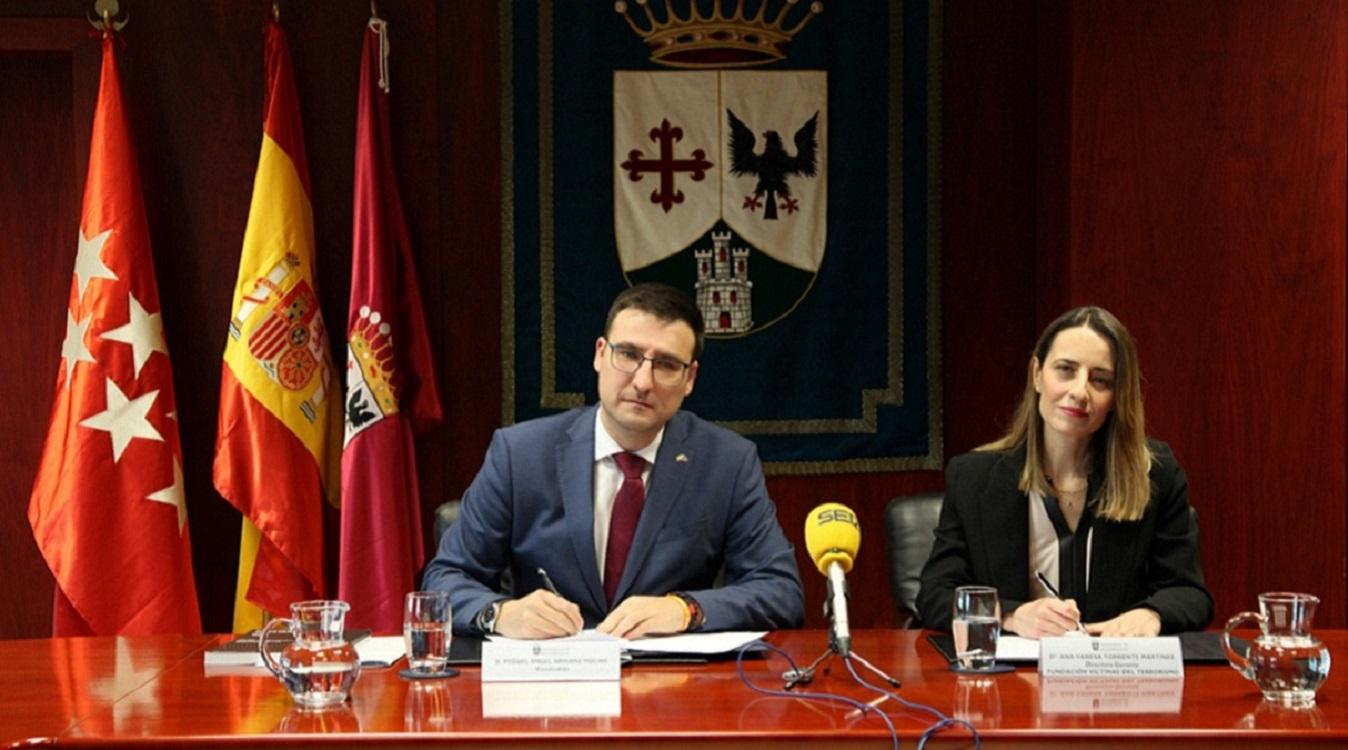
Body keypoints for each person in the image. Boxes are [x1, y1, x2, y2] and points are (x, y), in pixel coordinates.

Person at [423, 283, 804, 639]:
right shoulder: (520, 454)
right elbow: (444, 578)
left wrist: (686, 610)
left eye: (667, 365)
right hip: (549, 685)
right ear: (600, 354)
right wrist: (499, 614)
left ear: (690, 379)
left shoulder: (727, 463)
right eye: (628, 355)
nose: (642, 381)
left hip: (673, 691)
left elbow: (780, 591)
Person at [917, 306, 1213, 637]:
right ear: (1037, 374)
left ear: (1116, 396)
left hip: (1115, 675)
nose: (1079, 391)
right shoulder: (973, 477)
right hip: (1014, 676)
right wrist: (1010, 616)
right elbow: (934, 596)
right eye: (1066, 370)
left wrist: (1151, 615)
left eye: (1100, 380)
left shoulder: (1154, 474)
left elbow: (1190, 594)